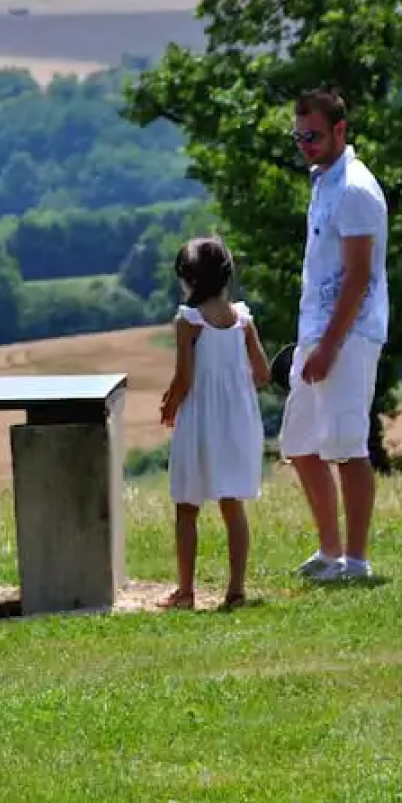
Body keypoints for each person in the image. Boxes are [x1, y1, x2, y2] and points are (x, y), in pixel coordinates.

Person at [282, 88, 390, 583]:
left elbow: (358, 276)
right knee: (300, 442)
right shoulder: (323, 182)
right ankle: (329, 551)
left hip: (349, 336)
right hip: (315, 331)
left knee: (347, 447)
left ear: (340, 130)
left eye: (314, 136)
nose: (306, 144)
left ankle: (357, 561)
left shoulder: (355, 190)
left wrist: (329, 346)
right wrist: (313, 340)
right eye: (300, 136)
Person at [158, 237, 271, 611]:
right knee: (232, 504)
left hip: (200, 420)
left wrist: (170, 405)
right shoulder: (243, 320)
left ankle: (185, 591)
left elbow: (185, 378)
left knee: (187, 505)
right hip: (237, 421)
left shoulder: (188, 321)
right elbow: (262, 373)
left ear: (187, 278)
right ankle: (236, 590)